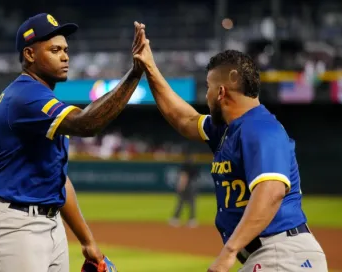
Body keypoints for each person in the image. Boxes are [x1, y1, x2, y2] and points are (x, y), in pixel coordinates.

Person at [133, 27, 328, 271]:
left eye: (208, 87)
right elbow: (185, 120)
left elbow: (271, 192)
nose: (206, 95)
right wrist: (150, 68)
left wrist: (229, 251)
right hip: (270, 255)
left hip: (282, 254)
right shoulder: (230, 130)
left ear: (222, 92)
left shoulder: (261, 128)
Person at [0, 13, 146, 272]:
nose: (65, 56)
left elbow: (57, 178)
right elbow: (87, 124)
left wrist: (88, 242)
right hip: (12, 224)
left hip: (48, 222)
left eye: (65, 50)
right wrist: (134, 74)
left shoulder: (40, 99)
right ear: (29, 54)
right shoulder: (26, 95)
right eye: (54, 50)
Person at [169, 152, 199, 228]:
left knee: (181, 202)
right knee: (191, 203)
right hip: (193, 185)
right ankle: (192, 220)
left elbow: (184, 176)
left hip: (187, 185)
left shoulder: (185, 165)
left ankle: (176, 218)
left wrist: (181, 185)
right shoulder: (193, 165)